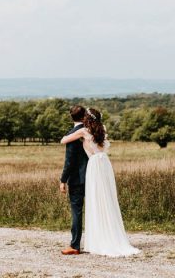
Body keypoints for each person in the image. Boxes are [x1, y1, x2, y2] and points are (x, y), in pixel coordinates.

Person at [60, 107, 140, 257]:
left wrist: (63, 179)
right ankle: (108, 237)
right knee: (105, 201)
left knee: (89, 206)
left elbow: (63, 142)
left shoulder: (82, 132)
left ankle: (77, 244)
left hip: (92, 169)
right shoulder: (100, 129)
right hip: (104, 165)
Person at [59, 105, 88, 255]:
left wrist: (63, 180)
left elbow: (69, 161)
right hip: (94, 176)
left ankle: (75, 245)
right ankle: (98, 241)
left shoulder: (73, 134)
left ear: (71, 117)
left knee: (77, 212)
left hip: (77, 179)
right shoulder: (93, 131)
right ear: (84, 116)